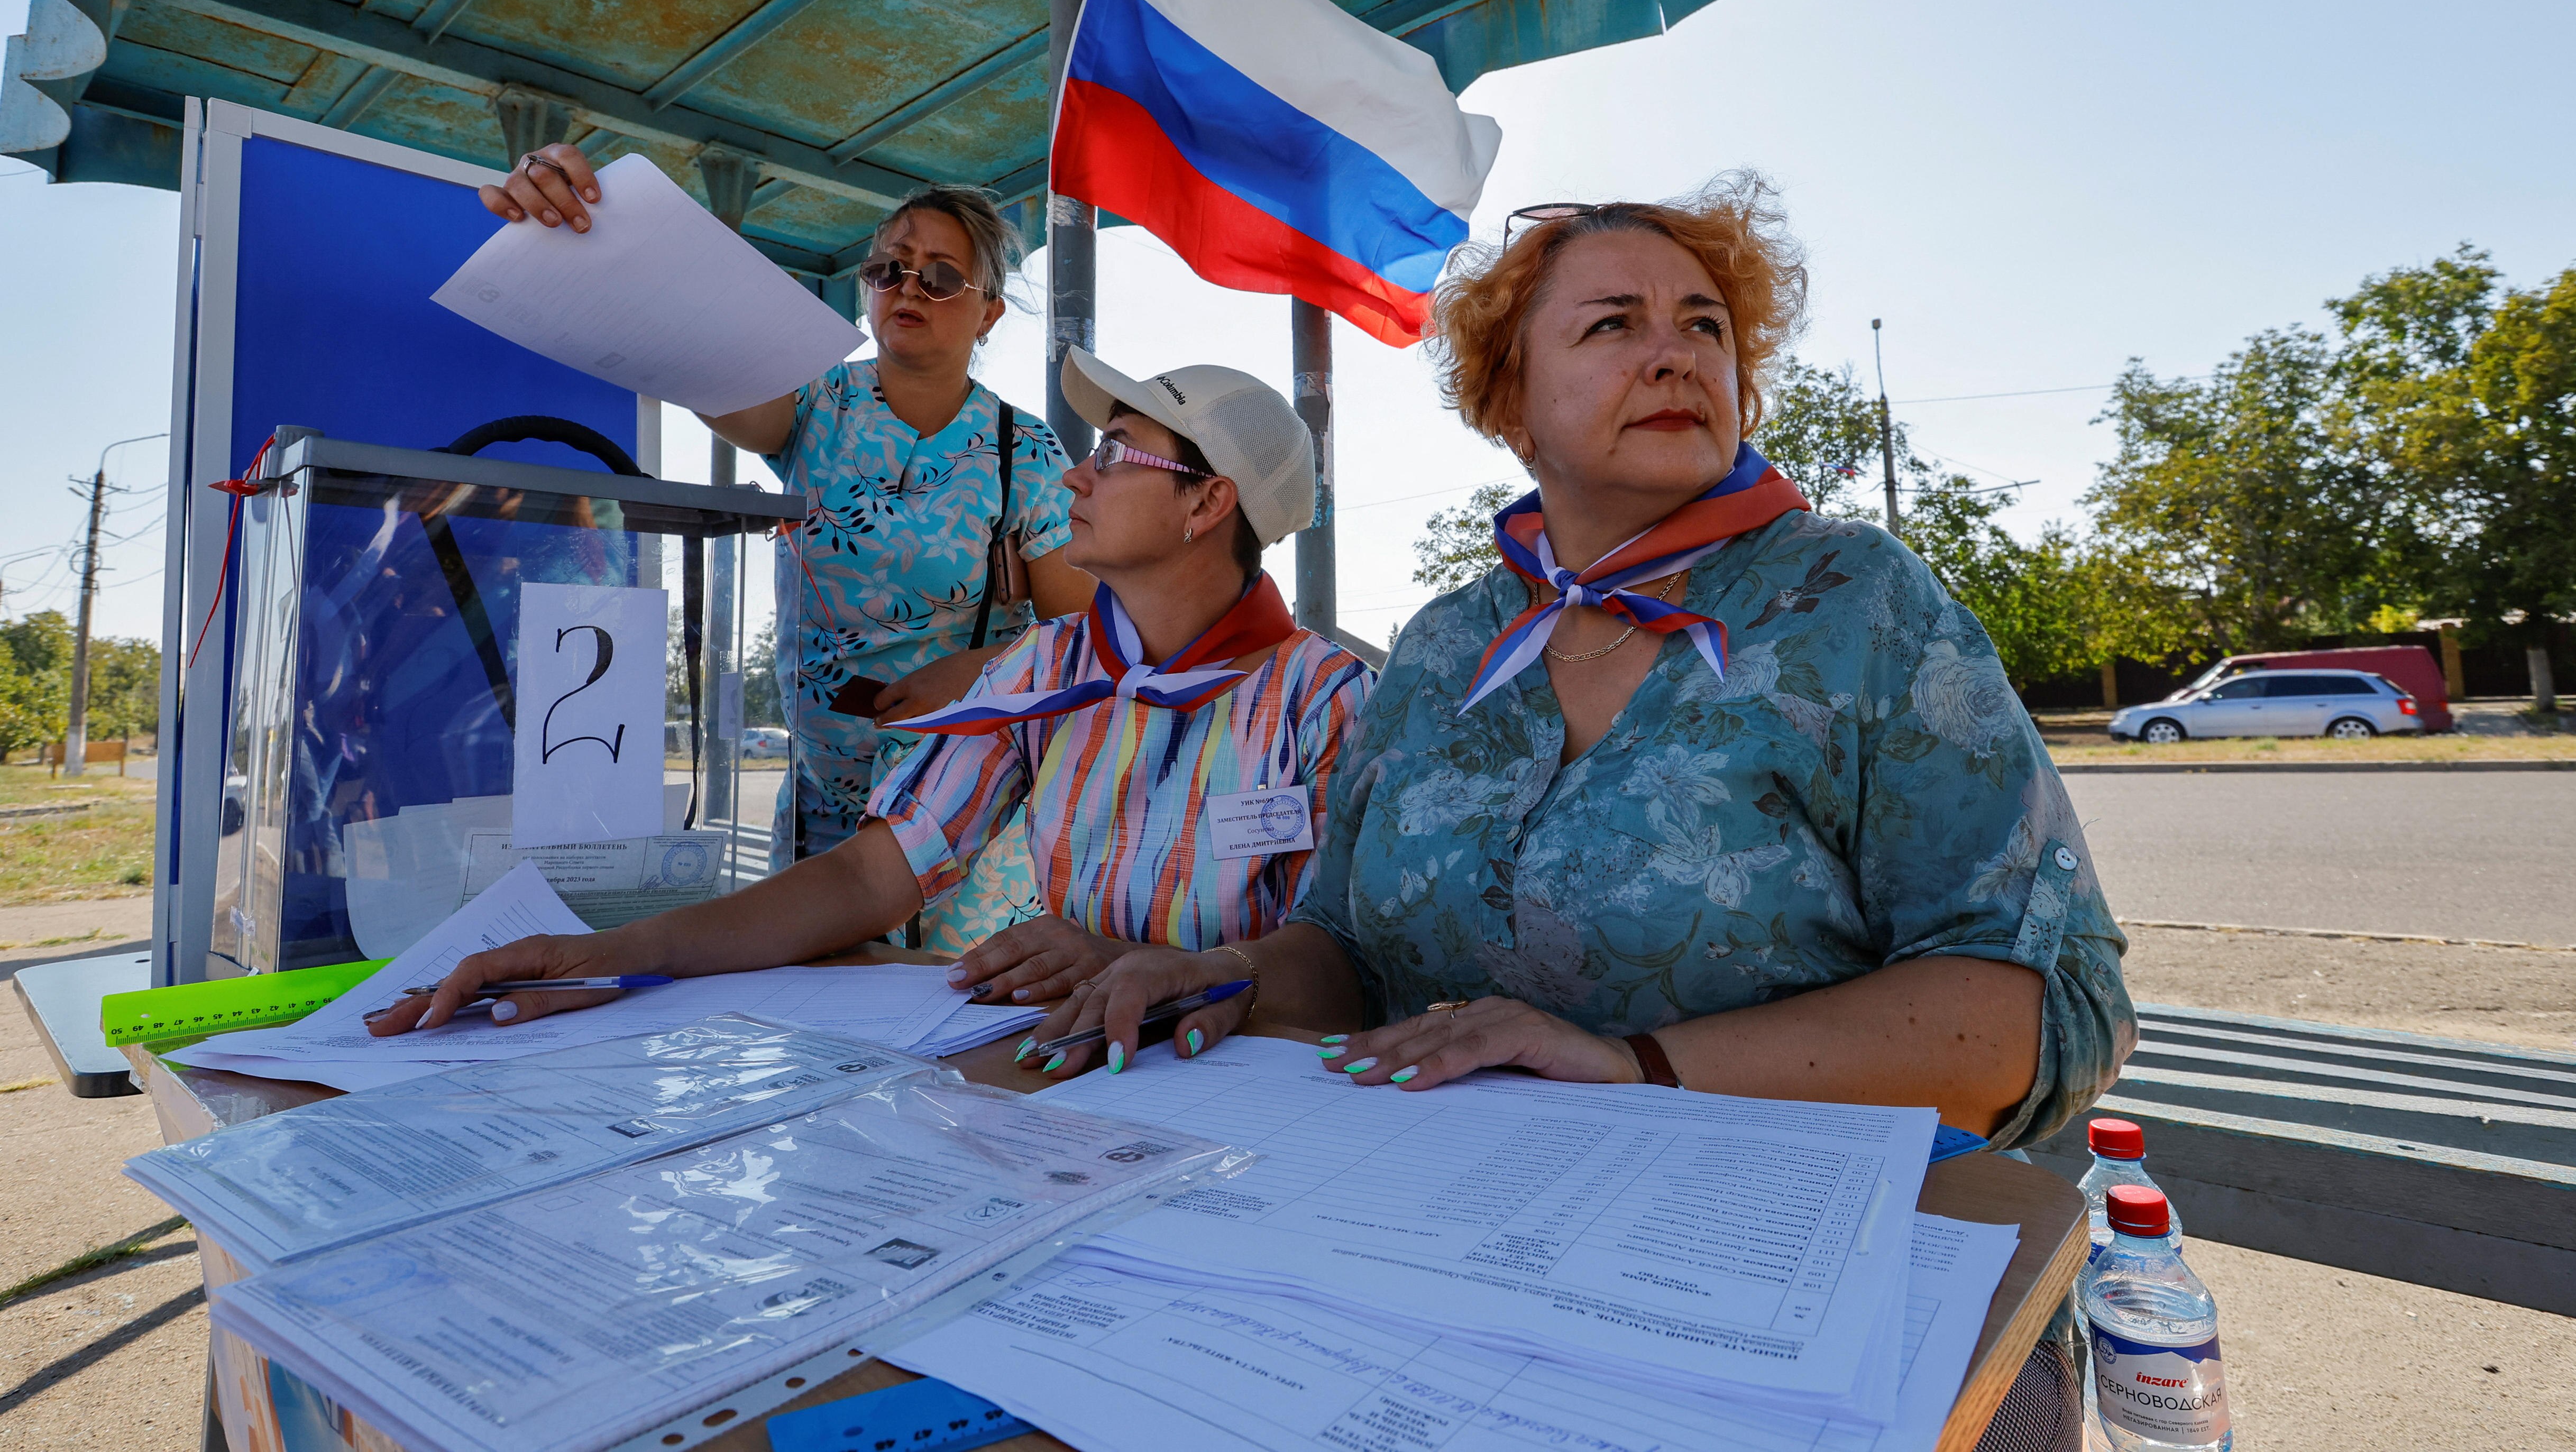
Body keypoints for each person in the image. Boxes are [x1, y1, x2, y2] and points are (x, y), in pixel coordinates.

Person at [1026, 175, 2130, 1450]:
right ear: (1511, 397)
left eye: (1704, 324)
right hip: (1442, 1243)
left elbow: (2044, 1009)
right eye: (1612, 323)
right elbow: (1342, 942)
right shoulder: (1446, 644)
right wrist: (1225, 973)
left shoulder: (1860, 603)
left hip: (1808, 1278)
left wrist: (1636, 1066)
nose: (1672, 349)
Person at [372, 352, 1377, 1039]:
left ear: (1209, 502)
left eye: (1116, 451)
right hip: (1082, 1078)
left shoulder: (1327, 701)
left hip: (1253, 1104)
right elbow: (868, 880)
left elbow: (1349, 965)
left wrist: (1162, 965)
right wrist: (613, 954)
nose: (1076, 477)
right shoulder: (1050, 671)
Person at [480, 150, 1094, 926]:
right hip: (819, 818)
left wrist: (978, 668)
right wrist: (589, 225)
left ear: (990, 311)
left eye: (940, 276)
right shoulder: (814, 401)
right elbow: (705, 366)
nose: (910, 286)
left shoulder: (1024, 451)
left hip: (961, 821)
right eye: (890, 268)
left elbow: (1085, 639)